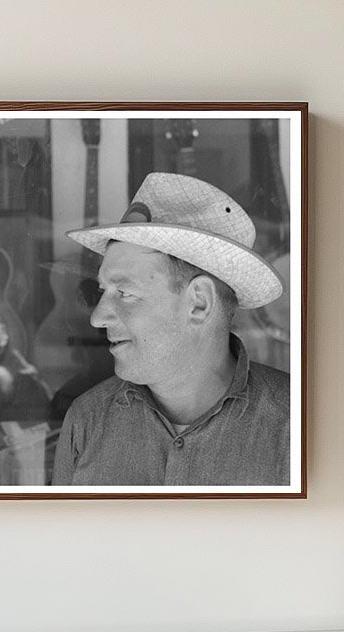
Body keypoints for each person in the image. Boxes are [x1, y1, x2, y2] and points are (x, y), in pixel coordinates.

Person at [51, 172, 290, 487]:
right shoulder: (86, 420)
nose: (97, 317)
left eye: (124, 293)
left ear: (199, 303)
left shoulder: (294, 425)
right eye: (102, 292)